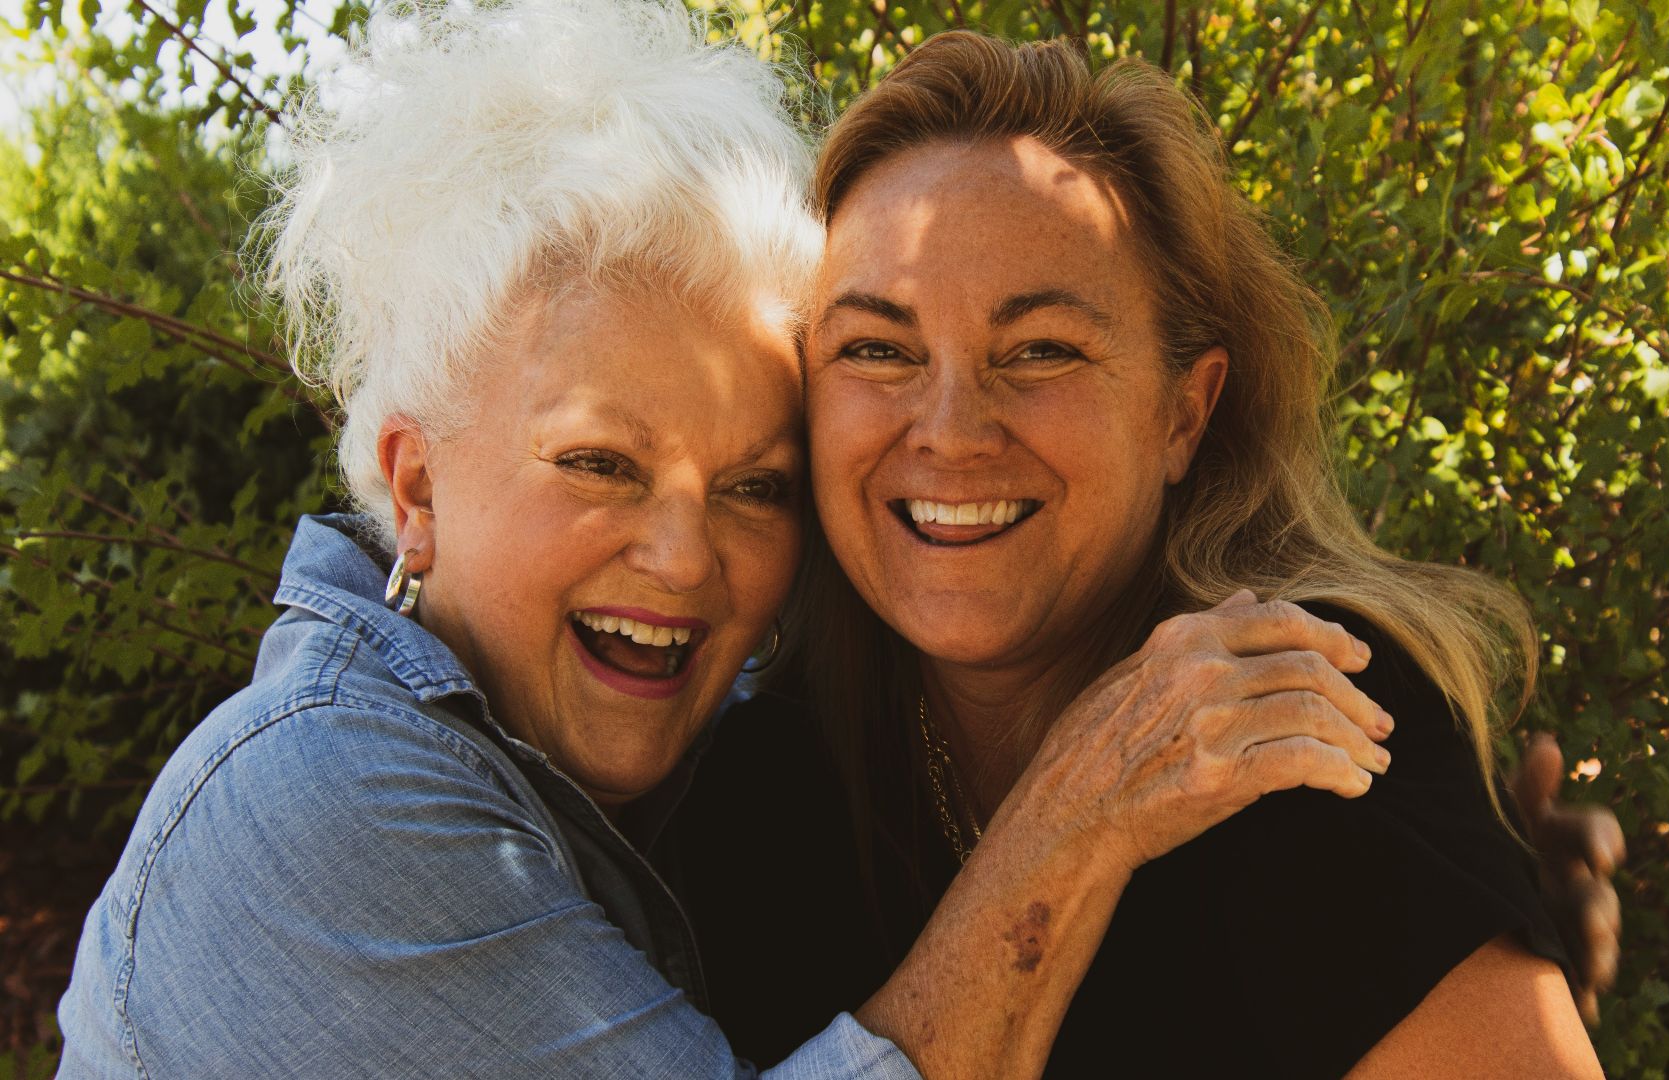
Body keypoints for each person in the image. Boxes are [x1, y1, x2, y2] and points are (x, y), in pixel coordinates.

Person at [52, 5, 1402, 1077]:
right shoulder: (321, 801)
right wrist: (1079, 808)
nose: (687, 561)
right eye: (598, 463)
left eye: (755, 488)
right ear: (415, 487)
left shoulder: (687, 758)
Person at [654, 30, 1613, 1078]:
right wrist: (1073, 820)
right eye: (877, 349)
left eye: (1041, 351)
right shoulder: (763, 786)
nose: (951, 429)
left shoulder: (1293, 721)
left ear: (1181, 416)